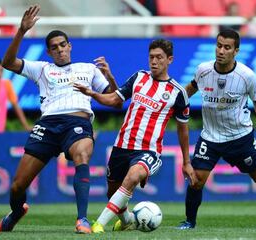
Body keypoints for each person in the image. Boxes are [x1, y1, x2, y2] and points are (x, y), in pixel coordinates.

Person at [0, 5, 118, 234]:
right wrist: (22, 31)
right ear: (49, 53)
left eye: (63, 45)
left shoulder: (89, 69)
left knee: (82, 154)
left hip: (78, 123)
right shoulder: (42, 69)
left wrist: (111, 79)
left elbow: (114, 100)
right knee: (17, 186)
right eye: (54, 48)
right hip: (48, 125)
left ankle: (82, 219)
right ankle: (16, 212)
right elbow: (8, 63)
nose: (60, 50)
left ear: (70, 46)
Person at [176, 29, 256, 229]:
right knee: (196, 180)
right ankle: (189, 222)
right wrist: (175, 100)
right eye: (218, 45)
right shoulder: (203, 69)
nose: (221, 51)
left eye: (227, 47)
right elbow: (192, 87)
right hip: (210, 137)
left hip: (239, 137)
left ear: (236, 51)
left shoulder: (246, 76)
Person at [74, 39, 196, 233]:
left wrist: (187, 161)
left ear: (169, 60)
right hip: (122, 146)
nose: (154, 62)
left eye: (159, 58)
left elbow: (183, 129)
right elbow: (114, 99)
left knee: (132, 177)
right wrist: (93, 94)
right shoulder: (138, 77)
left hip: (149, 150)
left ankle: (98, 224)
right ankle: (128, 219)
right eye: (151, 57)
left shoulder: (178, 93)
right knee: (113, 192)